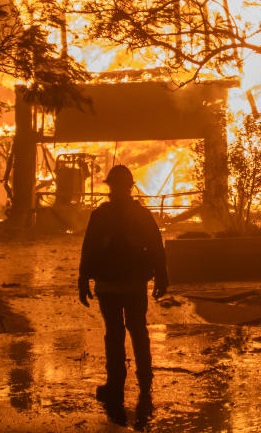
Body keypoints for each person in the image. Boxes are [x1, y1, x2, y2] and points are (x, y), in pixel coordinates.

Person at [78, 164, 169, 409]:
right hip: (133, 285)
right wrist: (161, 277)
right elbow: (156, 247)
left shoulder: (100, 215)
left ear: (111, 187)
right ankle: (144, 383)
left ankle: (116, 385)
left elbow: (89, 250)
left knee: (115, 334)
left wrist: (83, 279)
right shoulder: (141, 214)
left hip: (109, 285)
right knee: (138, 331)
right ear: (130, 187)